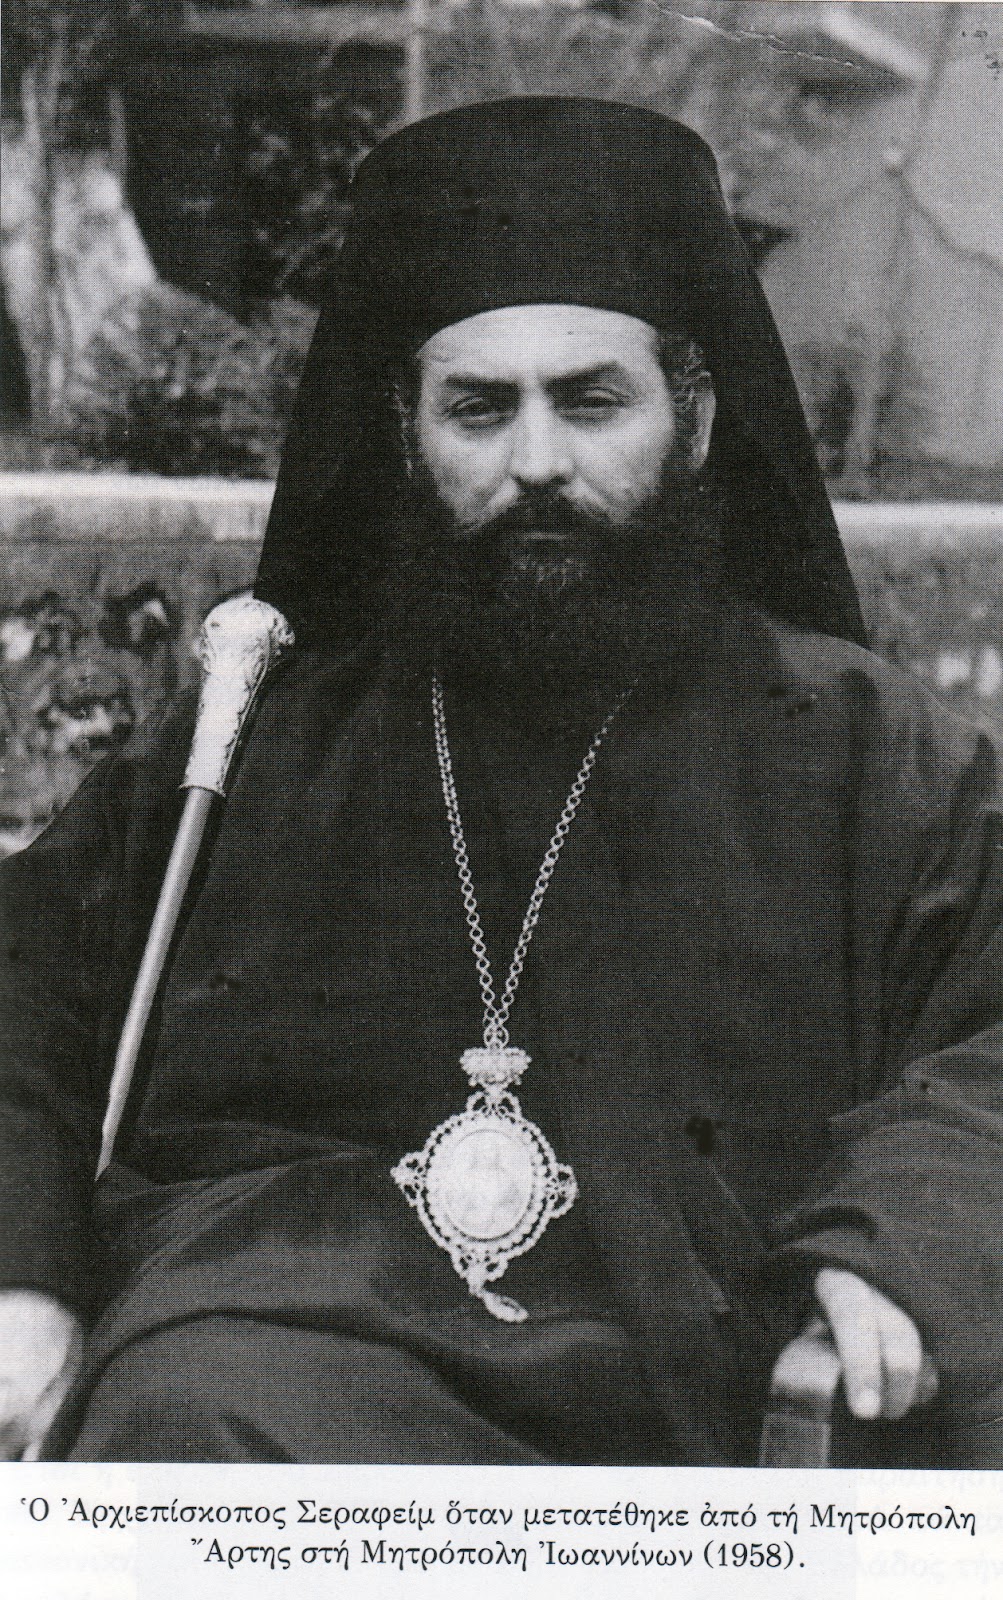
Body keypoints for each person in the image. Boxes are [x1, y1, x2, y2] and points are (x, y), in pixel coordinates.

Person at [1, 97, 1001, 1467]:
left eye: (592, 402)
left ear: (697, 420)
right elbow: (24, 985)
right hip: (288, 1370)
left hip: (705, 1383)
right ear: (407, 434)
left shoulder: (868, 748)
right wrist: (24, 1277)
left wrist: (901, 1241)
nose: (537, 462)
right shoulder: (259, 738)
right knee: (194, 1413)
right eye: (480, 408)